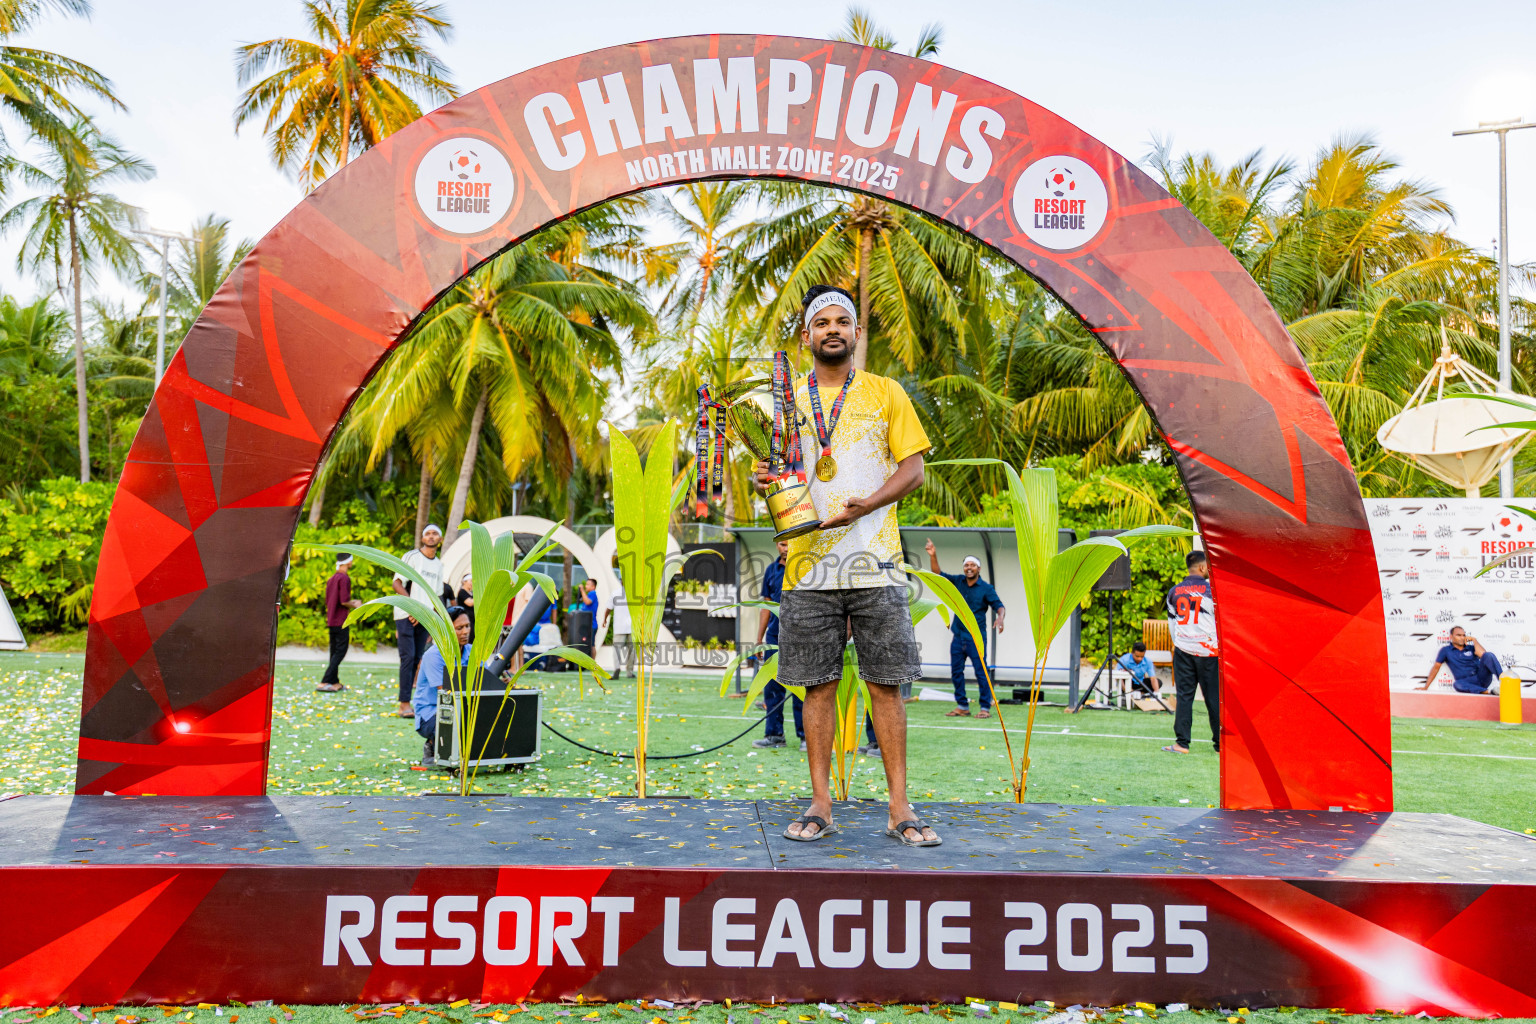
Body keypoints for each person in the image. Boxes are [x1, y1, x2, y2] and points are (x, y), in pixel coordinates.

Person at [754, 283, 938, 846]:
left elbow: (914, 470)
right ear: (806, 336)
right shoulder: (785, 402)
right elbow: (778, 475)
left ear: (857, 333)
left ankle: (900, 808)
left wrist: (868, 505)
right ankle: (820, 805)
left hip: (876, 562)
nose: (831, 330)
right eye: (821, 322)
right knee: (817, 688)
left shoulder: (886, 393)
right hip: (807, 566)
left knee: (887, 687)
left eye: (841, 322)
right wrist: (765, 479)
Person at [925, 539, 1007, 719]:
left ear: (979, 568)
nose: (969, 568)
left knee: (981, 673)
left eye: (972, 565)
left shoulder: (986, 588)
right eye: (966, 565)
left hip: (976, 639)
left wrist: (1000, 617)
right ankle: (962, 706)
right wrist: (933, 555)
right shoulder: (958, 581)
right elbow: (938, 575)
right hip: (958, 636)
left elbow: (999, 606)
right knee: (956, 672)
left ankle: (984, 707)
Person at [1163, 549, 1219, 755]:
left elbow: (1172, 625)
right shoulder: (1213, 590)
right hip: (1209, 652)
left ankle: (1182, 743)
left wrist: (1180, 645)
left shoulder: (1174, 591)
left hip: (1184, 650)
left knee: (1184, 697)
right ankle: (1221, 744)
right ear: (1203, 567)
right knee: (1214, 698)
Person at [752, 539, 804, 750]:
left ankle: (806, 737)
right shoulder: (771, 570)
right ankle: (774, 735)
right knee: (772, 688)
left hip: (801, 637)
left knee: (801, 689)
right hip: (774, 637)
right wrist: (759, 639)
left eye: (790, 543)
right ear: (776, 545)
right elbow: (766, 605)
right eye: (783, 544)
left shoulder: (806, 567)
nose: (787, 548)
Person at [393, 524, 445, 718]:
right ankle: (404, 704)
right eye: (427, 534)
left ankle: (418, 703)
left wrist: (434, 622)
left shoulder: (439, 565)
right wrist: (412, 608)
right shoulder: (412, 557)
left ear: (440, 539)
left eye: (435, 534)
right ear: (423, 538)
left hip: (424, 617)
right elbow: (397, 583)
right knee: (408, 658)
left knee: (417, 659)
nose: (431, 537)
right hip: (406, 614)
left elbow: (437, 596)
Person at [412, 605, 472, 767]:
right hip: (432, 713)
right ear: (447, 631)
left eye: (467, 626)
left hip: (464, 707)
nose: (465, 632)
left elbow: (485, 681)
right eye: (459, 628)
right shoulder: (434, 655)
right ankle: (432, 746)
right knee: (458, 725)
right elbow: (447, 694)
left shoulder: (472, 651)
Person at [317, 554, 362, 692]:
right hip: (341, 620)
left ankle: (334, 681)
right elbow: (343, 601)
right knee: (341, 650)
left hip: (331, 618)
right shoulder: (344, 578)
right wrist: (356, 604)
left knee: (334, 651)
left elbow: (330, 600)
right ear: (348, 562)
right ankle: (325, 681)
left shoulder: (331, 578)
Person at [1420, 626, 1503, 694]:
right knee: (1457, 684)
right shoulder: (1446, 650)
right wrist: (1426, 687)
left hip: (1481, 677)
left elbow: (1483, 655)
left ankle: (1505, 683)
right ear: (1451, 637)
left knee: (1488, 655)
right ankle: (1489, 692)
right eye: (1458, 635)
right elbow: (1436, 668)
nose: (1462, 638)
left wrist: (1474, 640)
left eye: (1464, 635)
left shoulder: (1471, 648)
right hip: (1466, 682)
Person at [601, 561, 636, 678]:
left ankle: (617, 668)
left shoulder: (615, 593)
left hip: (619, 626)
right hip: (632, 627)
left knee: (616, 649)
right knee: (632, 651)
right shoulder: (635, 594)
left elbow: (608, 609)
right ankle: (629, 672)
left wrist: (605, 620)